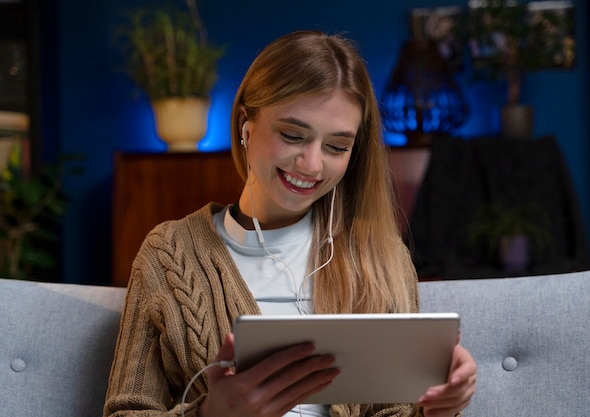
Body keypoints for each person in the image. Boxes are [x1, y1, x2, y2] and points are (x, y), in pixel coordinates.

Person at [103, 30, 476, 417]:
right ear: (246, 125)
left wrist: (437, 410)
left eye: (336, 146)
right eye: (293, 135)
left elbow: (393, 410)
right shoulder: (168, 255)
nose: (312, 165)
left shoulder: (381, 258)